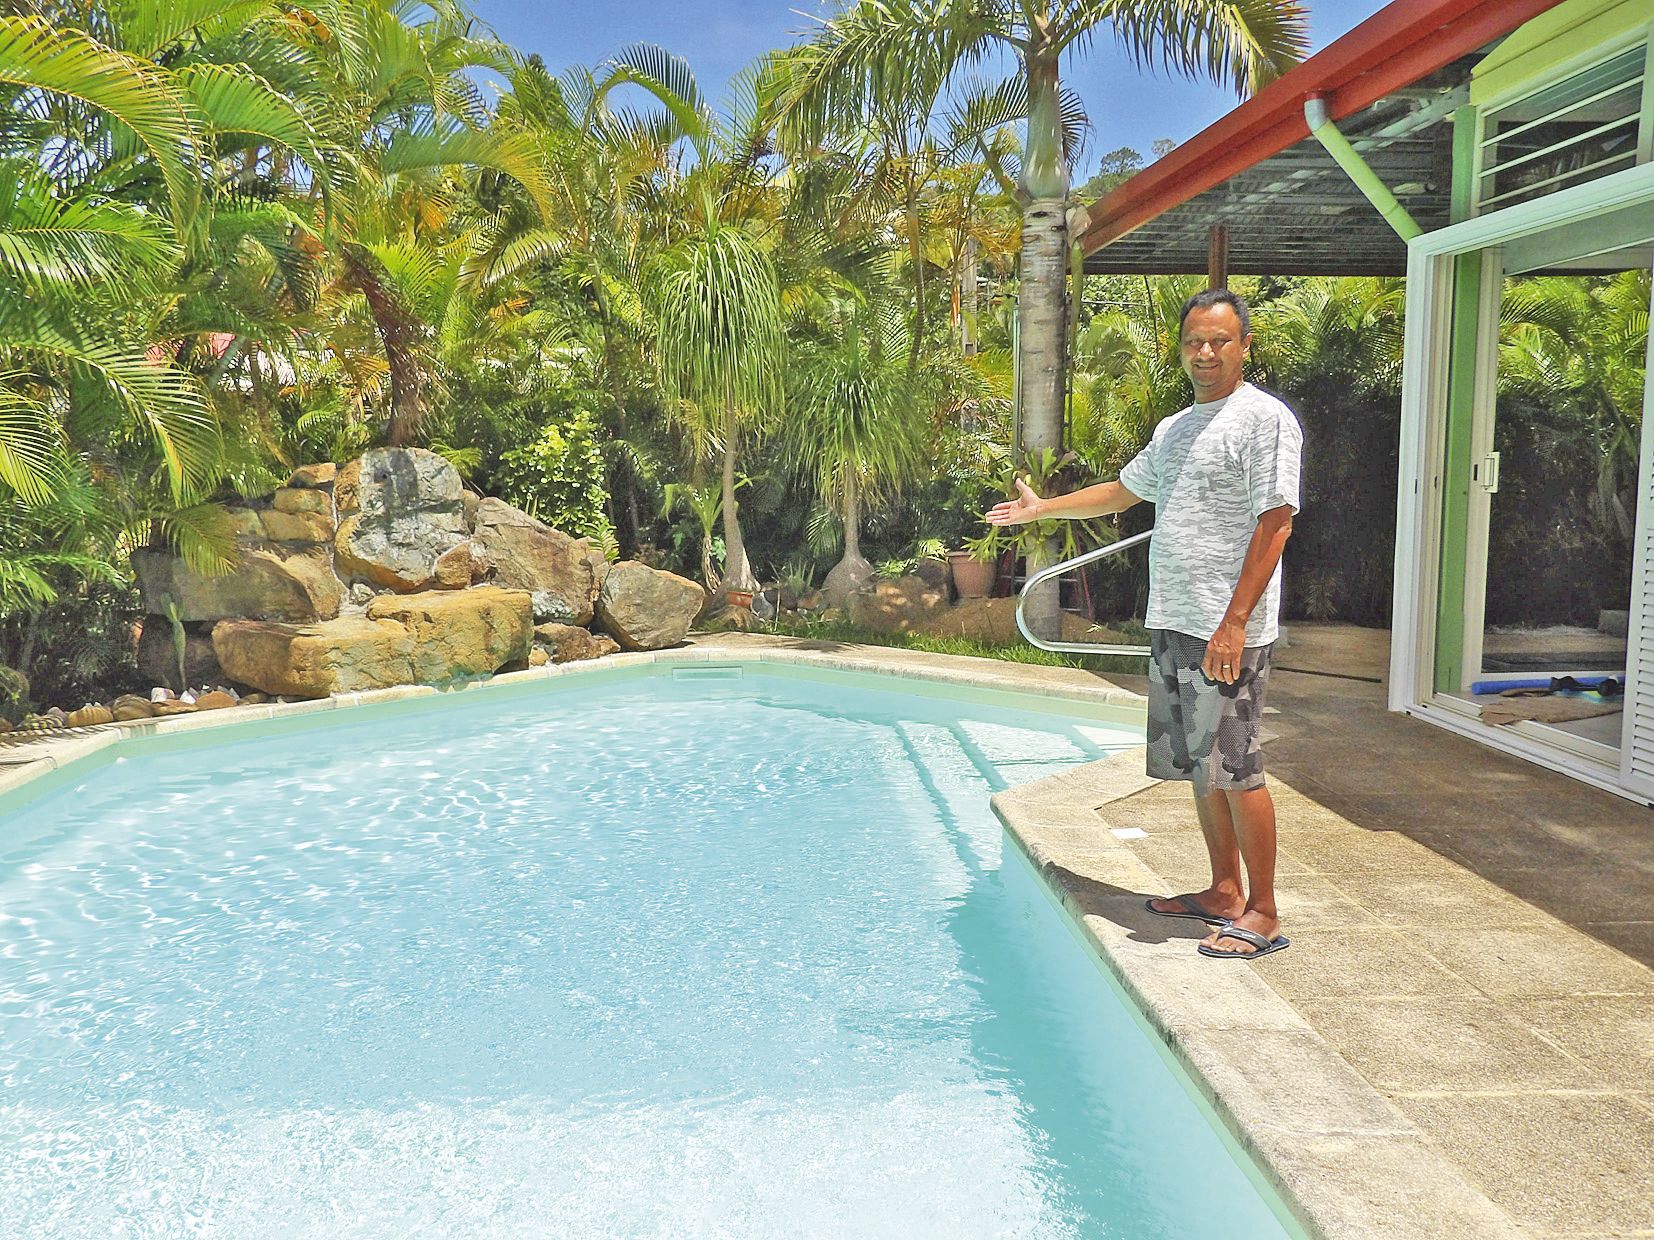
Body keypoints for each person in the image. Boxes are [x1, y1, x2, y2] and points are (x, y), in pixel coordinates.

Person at [985, 288, 1302, 959]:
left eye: (1220, 340)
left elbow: (1277, 523)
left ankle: (1264, 911)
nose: (1206, 353)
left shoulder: (1263, 421)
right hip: (1176, 618)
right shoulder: (1175, 429)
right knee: (1198, 767)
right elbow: (1124, 492)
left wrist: (1235, 623)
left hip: (1227, 627)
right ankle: (1223, 890)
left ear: (1246, 345)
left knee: (1237, 767)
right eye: (1194, 342)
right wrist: (1043, 510)